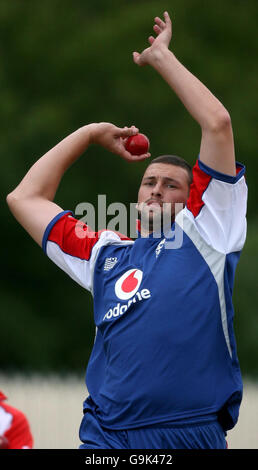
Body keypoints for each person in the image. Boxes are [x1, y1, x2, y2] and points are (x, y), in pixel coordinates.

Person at [6, 12, 247, 449]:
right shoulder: (105, 255)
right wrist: (89, 133)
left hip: (187, 434)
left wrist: (162, 59)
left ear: (193, 202)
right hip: (105, 437)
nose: (155, 191)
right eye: (148, 182)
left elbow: (217, 123)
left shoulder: (208, 234)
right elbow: (25, 199)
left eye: (170, 185)